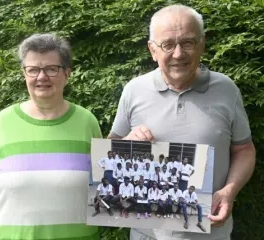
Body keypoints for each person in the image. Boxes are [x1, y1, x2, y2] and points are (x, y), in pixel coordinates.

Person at [108, 4, 255, 240]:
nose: (178, 54)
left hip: (211, 234)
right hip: (146, 235)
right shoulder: (134, 90)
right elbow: (110, 150)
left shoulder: (227, 89)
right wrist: (126, 143)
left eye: (187, 42)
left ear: (202, 44)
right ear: (152, 50)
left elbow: (244, 149)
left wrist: (229, 191)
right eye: (167, 44)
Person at [0, 33, 102, 240]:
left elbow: (102, 188)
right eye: (33, 70)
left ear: (67, 74)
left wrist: (136, 150)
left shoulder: (87, 122)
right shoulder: (3, 122)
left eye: (51, 69)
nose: (41, 77)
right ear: (24, 74)